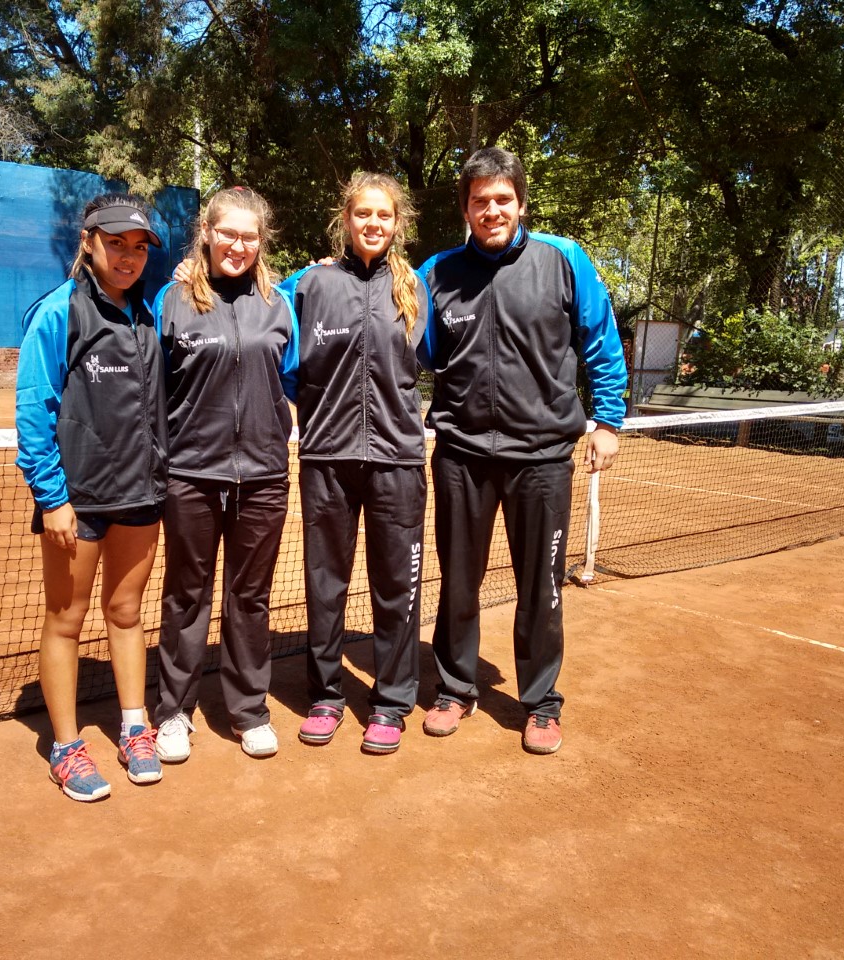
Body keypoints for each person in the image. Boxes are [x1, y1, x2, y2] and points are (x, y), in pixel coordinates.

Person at [418, 147, 628, 755]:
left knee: (542, 585)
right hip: (460, 453)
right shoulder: (437, 272)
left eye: (502, 199)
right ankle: (455, 688)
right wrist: (316, 278)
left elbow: (601, 345)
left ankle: (540, 702)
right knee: (459, 581)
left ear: (521, 202)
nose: (491, 210)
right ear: (465, 208)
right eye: (479, 201)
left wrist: (608, 421)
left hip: (541, 457)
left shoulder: (565, 260)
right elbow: (406, 345)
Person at [15, 193, 168, 801]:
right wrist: (53, 498)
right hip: (76, 500)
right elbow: (34, 410)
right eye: (116, 244)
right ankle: (66, 746)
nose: (128, 257)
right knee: (67, 620)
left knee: (127, 613)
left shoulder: (147, 312)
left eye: (138, 248)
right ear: (89, 241)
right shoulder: (58, 312)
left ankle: (134, 728)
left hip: (140, 492)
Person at [279, 172, 430, 755]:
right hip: (327, 459)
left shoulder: (418, 290)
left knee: (397, 586)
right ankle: (325, 696)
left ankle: (392, 702)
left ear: (398, 223)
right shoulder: (308, 284)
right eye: (362, 213)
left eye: (384, 215)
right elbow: (282, 358)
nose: (373, 223)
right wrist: (321, 411)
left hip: (398, 460)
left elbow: (437, 356)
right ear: (346, 218)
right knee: (326, 584)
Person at [151, 186, 299, 761]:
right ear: (207, 234)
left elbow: (294, 379)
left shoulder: (280, 303)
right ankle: (174, 712)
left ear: (262, 242)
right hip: (189, 475)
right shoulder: (171, 299)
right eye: (228, 233)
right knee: (186, 595)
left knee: (250, 596)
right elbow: (154, 387)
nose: (238, 245)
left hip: (263, 476)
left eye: (249, 235)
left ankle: (248, 710)